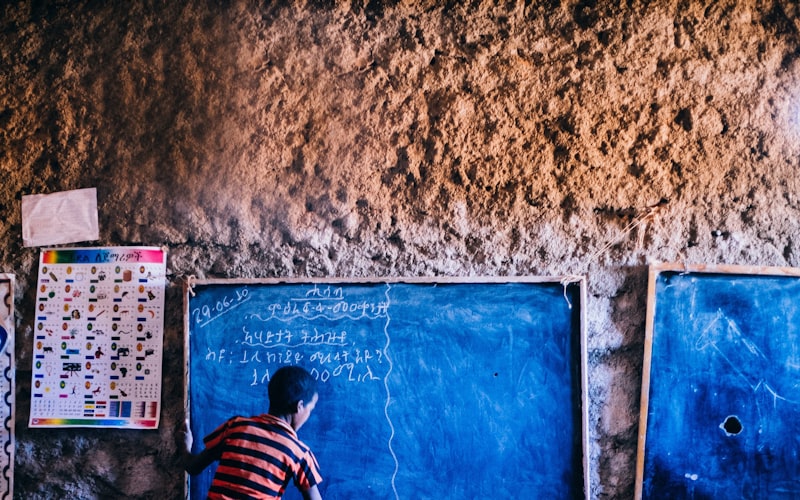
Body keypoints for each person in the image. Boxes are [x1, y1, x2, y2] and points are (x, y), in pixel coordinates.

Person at [182, 365, 323, 500]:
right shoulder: (299, 453)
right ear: (299, 407)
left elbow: (192, 466)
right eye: (309, 409)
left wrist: (185, 445)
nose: (308, 415)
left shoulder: (235, 427)